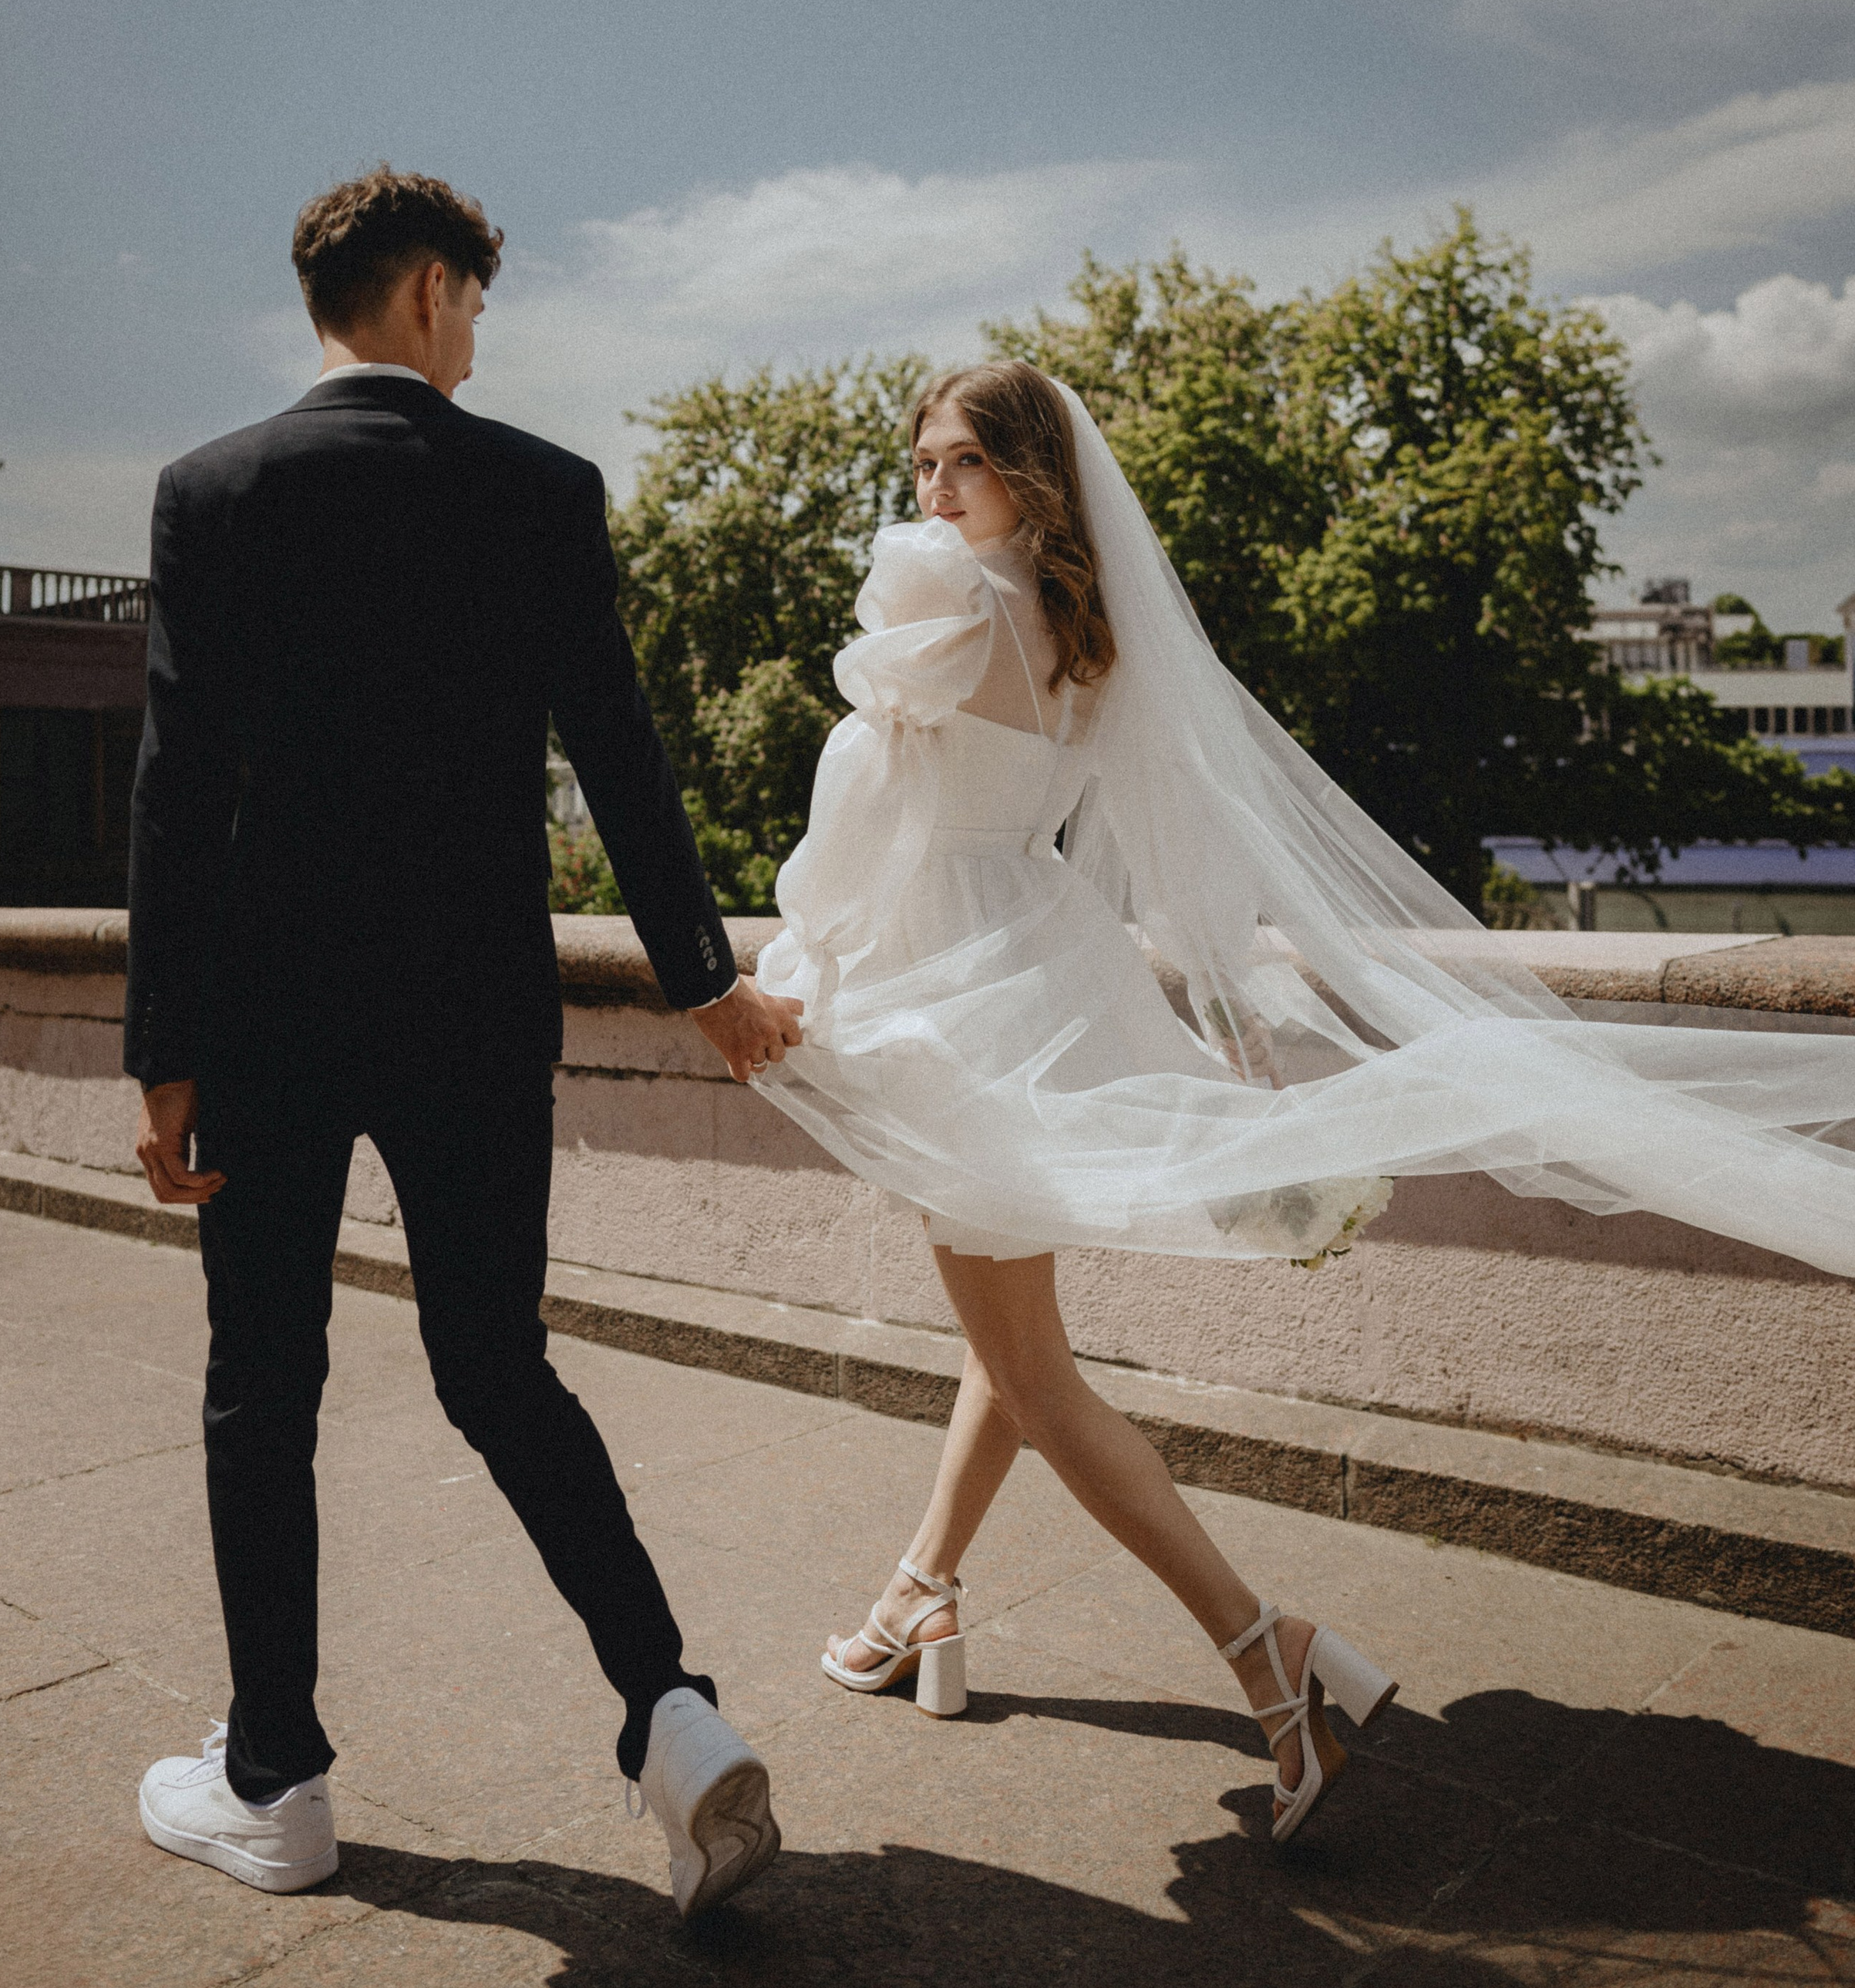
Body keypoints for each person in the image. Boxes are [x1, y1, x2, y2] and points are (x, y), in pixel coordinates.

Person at [753, 361, 1855, 1845]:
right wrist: (1223, 1034)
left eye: (960, 464)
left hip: (959, 991)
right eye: (922, 463)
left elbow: (859, 825)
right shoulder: (1093, 630)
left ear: (1027, 476)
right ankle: (921, 1597)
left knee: (1030, 1370)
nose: (930, 493)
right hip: (1044, 961)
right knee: (1009, 1322)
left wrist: (799, 961)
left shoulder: (941, 605)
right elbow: (1180, 848)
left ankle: (1268, 1659)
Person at [126, 165, 803, 1919]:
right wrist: (701, 976)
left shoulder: (213, 492)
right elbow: (623, 757)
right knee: (496, 1364)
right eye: (479, 307)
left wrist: (161, 1049)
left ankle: (275, 1778)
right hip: (474, 1008)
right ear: (429, 294)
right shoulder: (540, 492)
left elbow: (176, 789)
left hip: (269, 1016)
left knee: (259, 1390)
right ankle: (666, 1709)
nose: (481, 339)